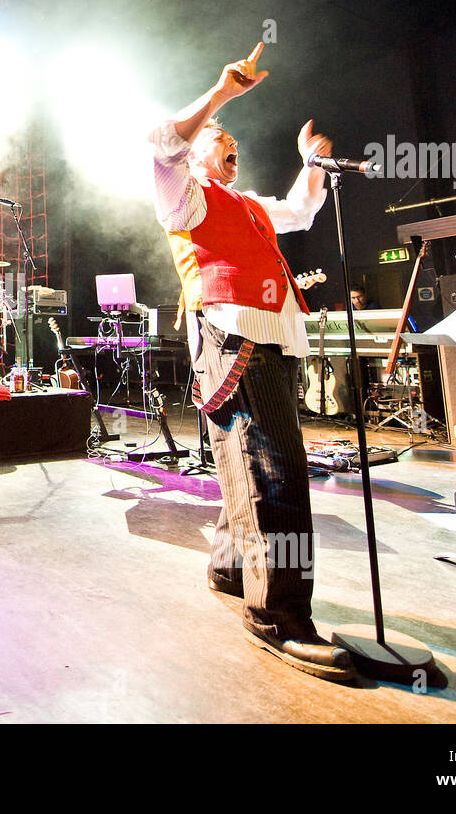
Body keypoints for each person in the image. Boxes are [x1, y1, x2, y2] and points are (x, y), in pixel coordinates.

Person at [151, 42, 357, 682]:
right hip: (231, 338)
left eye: (235, 141)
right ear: (201, 154)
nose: (232, 146)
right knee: (275, 467)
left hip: (270, 339)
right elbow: (161, 143)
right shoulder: (185, 198)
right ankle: (279, 615)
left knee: (253, 457)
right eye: (222, 140)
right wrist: (218, 95)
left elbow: (300, 210)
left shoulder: (248, 204)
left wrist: (311, 165)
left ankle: (231, 566)